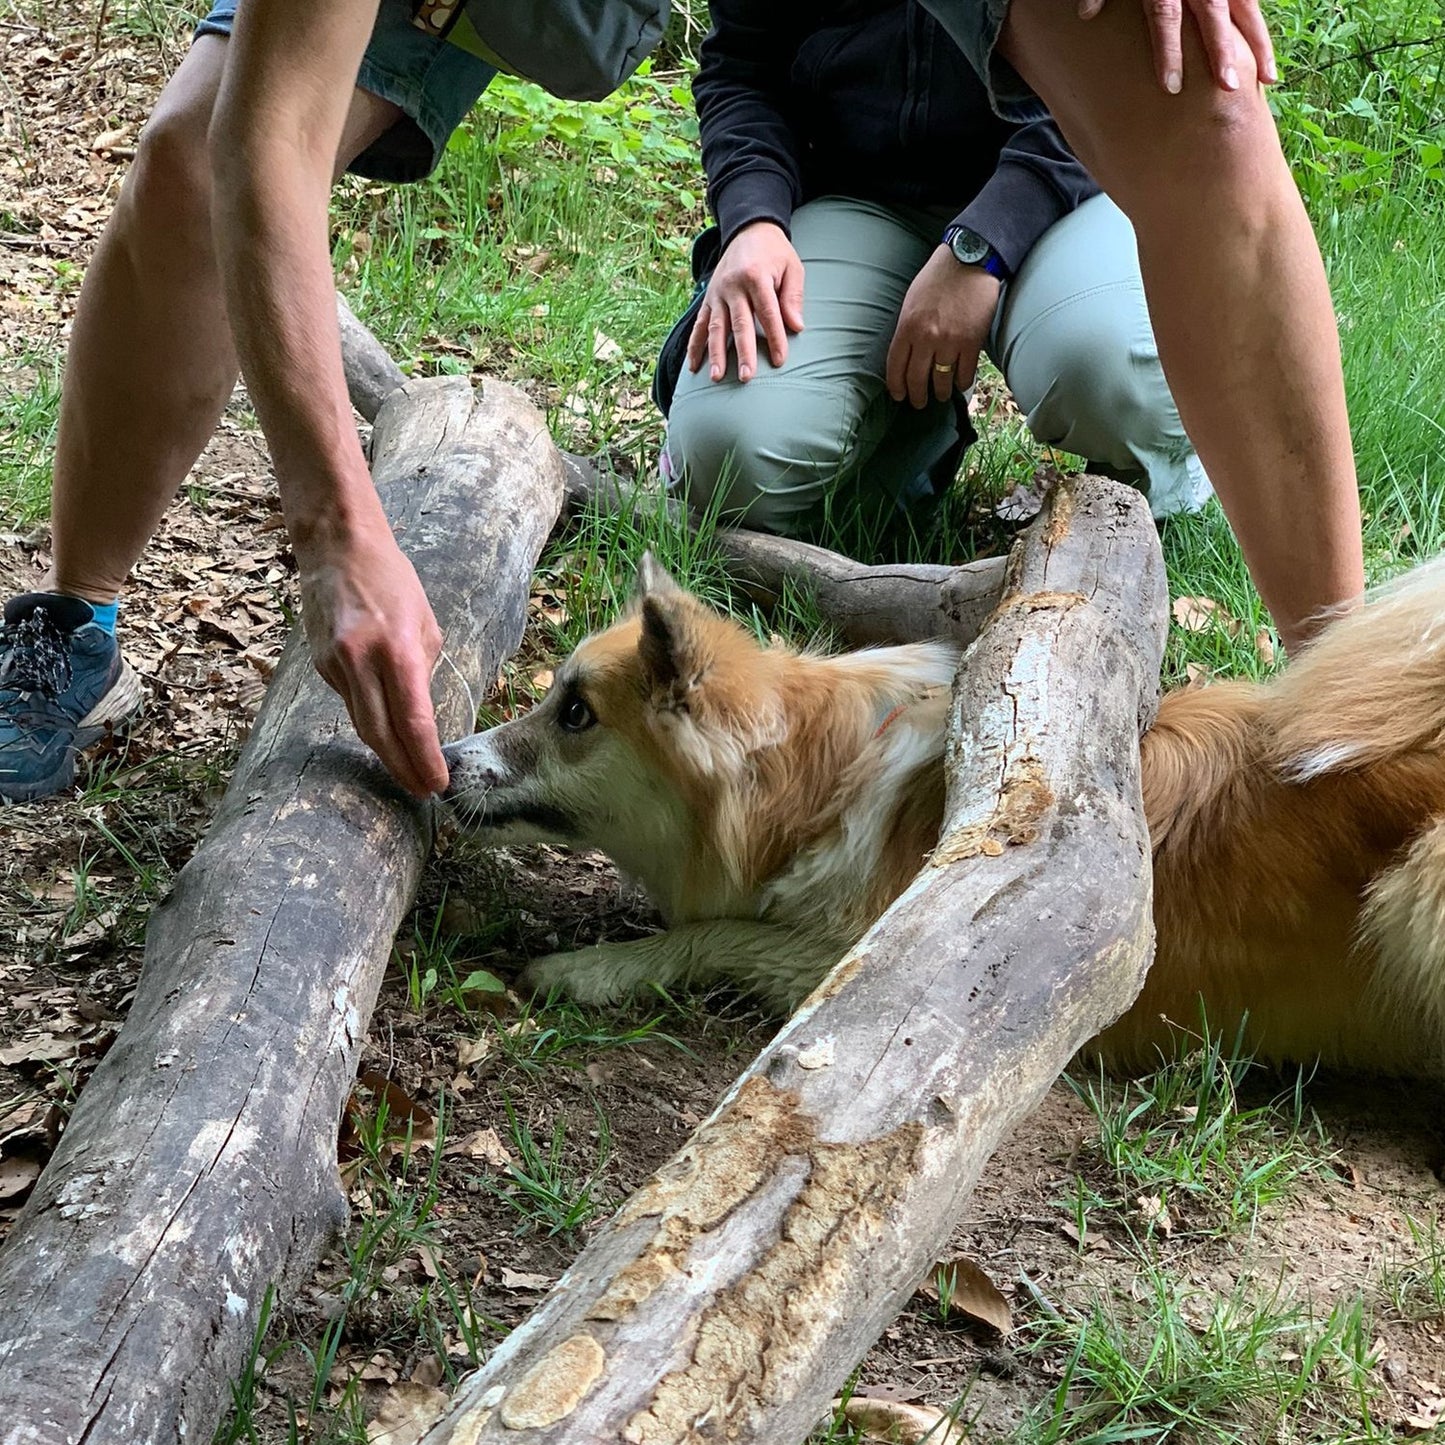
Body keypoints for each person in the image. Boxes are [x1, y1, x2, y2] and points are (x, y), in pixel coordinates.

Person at [656, 1, 1212, 543]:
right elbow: (742, 69)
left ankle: (1136, 500)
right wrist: (753, 218)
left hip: (1065, 177)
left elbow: (1122, 70)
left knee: (1116, 368)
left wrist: (984, 243)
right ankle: (905, 444)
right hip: (857, 193)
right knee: (723, 455)